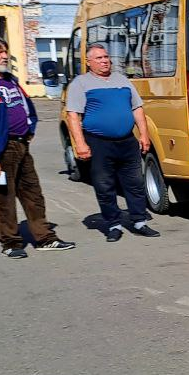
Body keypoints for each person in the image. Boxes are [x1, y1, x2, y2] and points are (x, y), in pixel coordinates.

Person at [0, 34, 76, 259]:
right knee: (4, 196)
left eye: (5, 50)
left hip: (22, 147)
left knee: (33, 194)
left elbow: (26, 106)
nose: (5, 55)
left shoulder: (10, 80)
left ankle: (45, 238)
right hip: (0, 152)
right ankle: (10, 242)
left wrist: (30, 128)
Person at [65, 44, 160, 242]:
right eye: (98, 58)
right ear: (89, 62)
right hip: (99, 142)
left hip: (126, 141)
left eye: (106, 56)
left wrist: (144, 135)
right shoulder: (80, 83)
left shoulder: (122, 80)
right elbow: (73, 116)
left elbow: (137, 109)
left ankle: (139, 221)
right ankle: (113, 224)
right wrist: (80, 144)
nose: (104, 60)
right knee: (104, 185)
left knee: (134, 183)